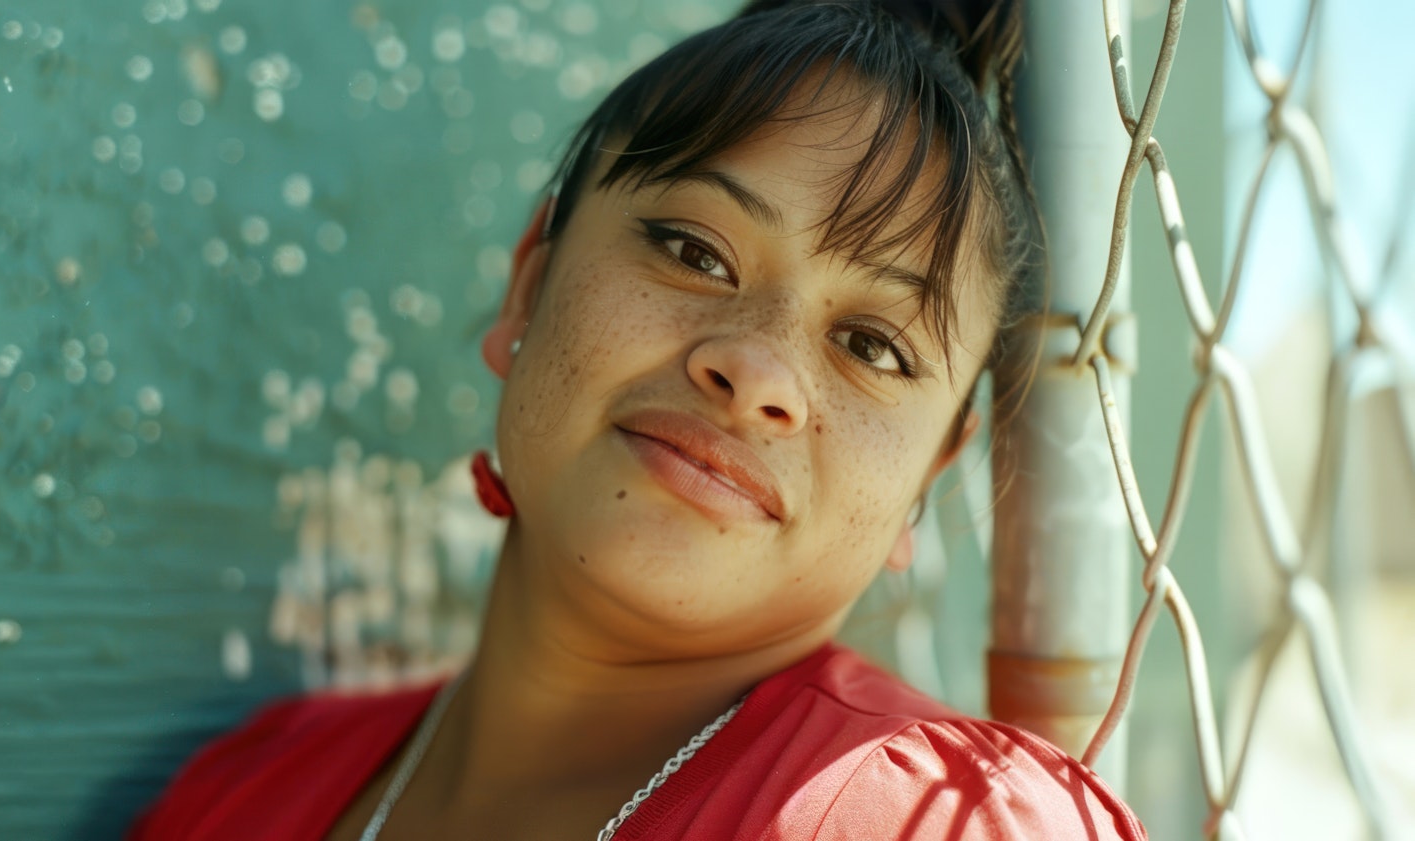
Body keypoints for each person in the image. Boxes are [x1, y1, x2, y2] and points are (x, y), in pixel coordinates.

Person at [130, 0, 1147, 838]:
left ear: (931, 472)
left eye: (872, 346)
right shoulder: (239, 794)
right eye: (694, 251)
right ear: (529, 286)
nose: (756, 370)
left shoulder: (931, 820)